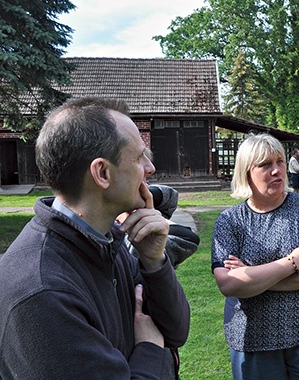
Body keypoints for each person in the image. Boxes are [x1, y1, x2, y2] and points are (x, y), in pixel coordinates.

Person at [0, 97, 190, 378]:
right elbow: (161, 340)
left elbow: (175, 330)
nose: (150, 169)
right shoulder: (42, 292)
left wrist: (154, 261)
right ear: (102, 172)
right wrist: (151, 347)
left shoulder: (108, 241)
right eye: (139, 157)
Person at [211, 133, 299, 380]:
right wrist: (292, 262)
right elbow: (228, 283)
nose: (277, 171)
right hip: (253, 341)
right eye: (265, 165)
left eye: (280, 162)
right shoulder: (229, 221)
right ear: (246, 172)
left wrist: (253, 278)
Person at [122, 184, 201, 269]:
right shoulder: (126, 246)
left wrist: (137, 195)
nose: (151, 170)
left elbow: (170, 197)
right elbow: (188, 238)